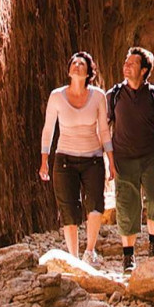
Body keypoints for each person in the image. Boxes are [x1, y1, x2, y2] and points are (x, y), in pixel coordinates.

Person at [106, 47, 154, 273]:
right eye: (125, 62)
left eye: (132, 63)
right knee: (126, 206)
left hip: (150, 158)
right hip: (123, 159)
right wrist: (107, 160)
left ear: (144, 70)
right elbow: (104, 128)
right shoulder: (114, 95)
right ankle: (128, 257)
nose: (126, 66)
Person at [39, 52, 112, 265]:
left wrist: (111, 160)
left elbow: (104, 131)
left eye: (82, 63)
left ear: (89, 72)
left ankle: (90, 251)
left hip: (93, 159)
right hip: (64, 160)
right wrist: (44, 159)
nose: (77, 66)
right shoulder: (57, 96)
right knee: (68, 208)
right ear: (69, 69)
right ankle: (73, 257)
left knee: (96, 204)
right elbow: (48, 130)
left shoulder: (98, 96)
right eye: (74, 63)